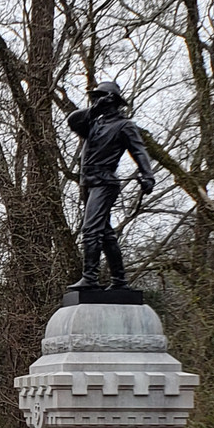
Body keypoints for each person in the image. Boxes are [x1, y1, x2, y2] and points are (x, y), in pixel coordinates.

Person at [66, 81, 155, 291]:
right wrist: (94, 109)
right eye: (94, 98)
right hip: (88, 183)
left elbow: (139, 151)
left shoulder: (124, 126)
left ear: (111, 99)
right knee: (105, 234)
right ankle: (120, 281)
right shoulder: (94, 125)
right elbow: (72, 121)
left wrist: (148, 176)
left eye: (99, 97)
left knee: (91, 229)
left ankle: (90, 278)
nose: (94, 100)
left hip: (105, 183)